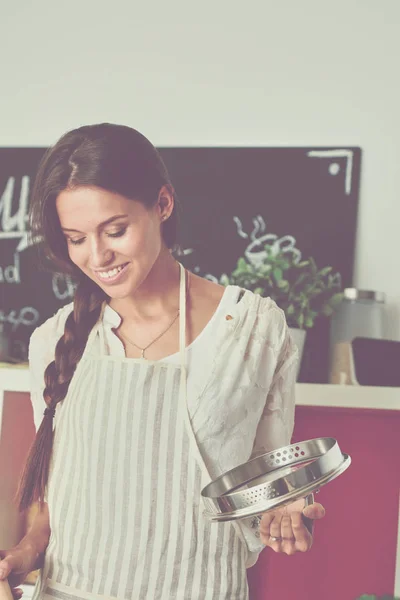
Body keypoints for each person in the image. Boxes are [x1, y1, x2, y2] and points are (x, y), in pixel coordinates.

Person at [0, 123, 325, 600]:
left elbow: (264, 485)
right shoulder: (54, 340)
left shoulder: (250, 328)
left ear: (163, 204)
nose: (97, 256)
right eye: (75, 238)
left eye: (115, 230)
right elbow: (54, 502)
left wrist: (285, 511)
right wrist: (21, 554)